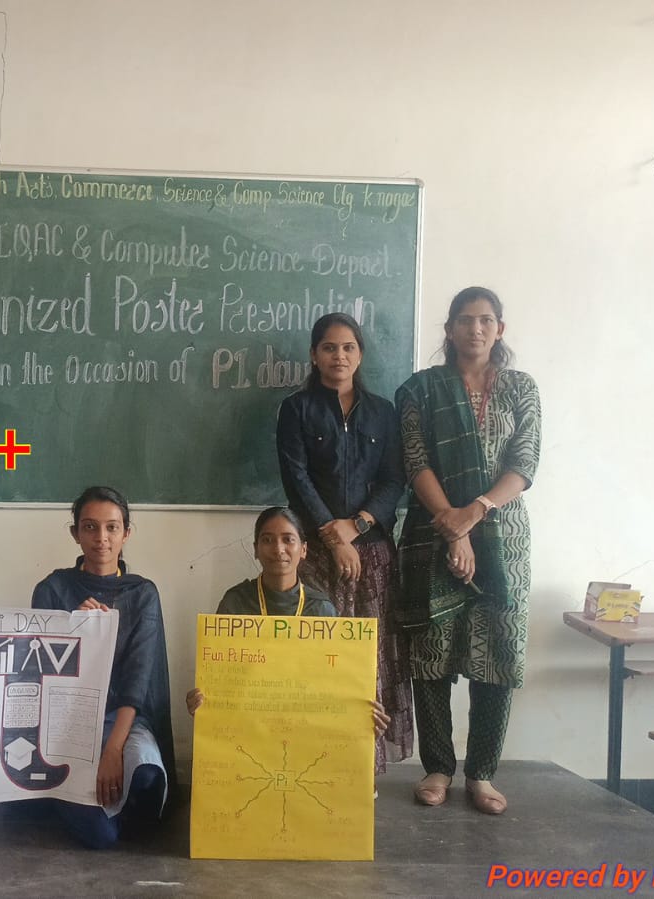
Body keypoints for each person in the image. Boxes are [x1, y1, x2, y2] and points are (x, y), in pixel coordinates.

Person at [396, 286, 541, 816]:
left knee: (495, 651)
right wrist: (454, 531)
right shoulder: (419, 389)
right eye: (464, 320)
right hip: (433, 533)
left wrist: (475, 513)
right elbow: (415, 462)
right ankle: (437, 766)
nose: (474, 329)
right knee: (431, 651)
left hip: (503, 538)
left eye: (484, 320)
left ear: (499, 329)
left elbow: (524, 463)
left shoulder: (522, 388)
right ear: (449, 329)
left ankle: (482, 773)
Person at [276, 312, 413, 776]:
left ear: (360, 355)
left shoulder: (382, 412)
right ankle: (315, 762)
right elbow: (296, 479)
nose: (340, 356)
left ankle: (363, 766)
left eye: (349, 347)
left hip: (371, 553)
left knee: (367, 658)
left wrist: (356, 525)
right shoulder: (296, 409)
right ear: (314, 355)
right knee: (317, 656)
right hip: (314, 554)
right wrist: (333, 537)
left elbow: (395, 480)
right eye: (329, 347)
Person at [32, 486, 174, 849]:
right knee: (102, 838)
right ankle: (80, 800)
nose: (101, 538)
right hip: (68, 723)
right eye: (90, 527)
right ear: (75, 533)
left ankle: (110, 798)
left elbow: (138, 679)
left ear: (126, 533)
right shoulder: (53, 589)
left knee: (145, 775)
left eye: (112, 528)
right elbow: (41, 674)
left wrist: (113, 750)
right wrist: (73, 630)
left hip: (124, 719)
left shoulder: (142, 593)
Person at [184, 507, 389, 740]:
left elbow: (336, 686)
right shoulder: (236, 603)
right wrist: (203, 702)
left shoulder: (321, 610)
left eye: (288, 540)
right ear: (255, 550)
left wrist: (362, 717)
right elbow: (219, 680)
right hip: (248, 734)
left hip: (306, 736)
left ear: (303, 550)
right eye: (267, 540)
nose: (278, 549)